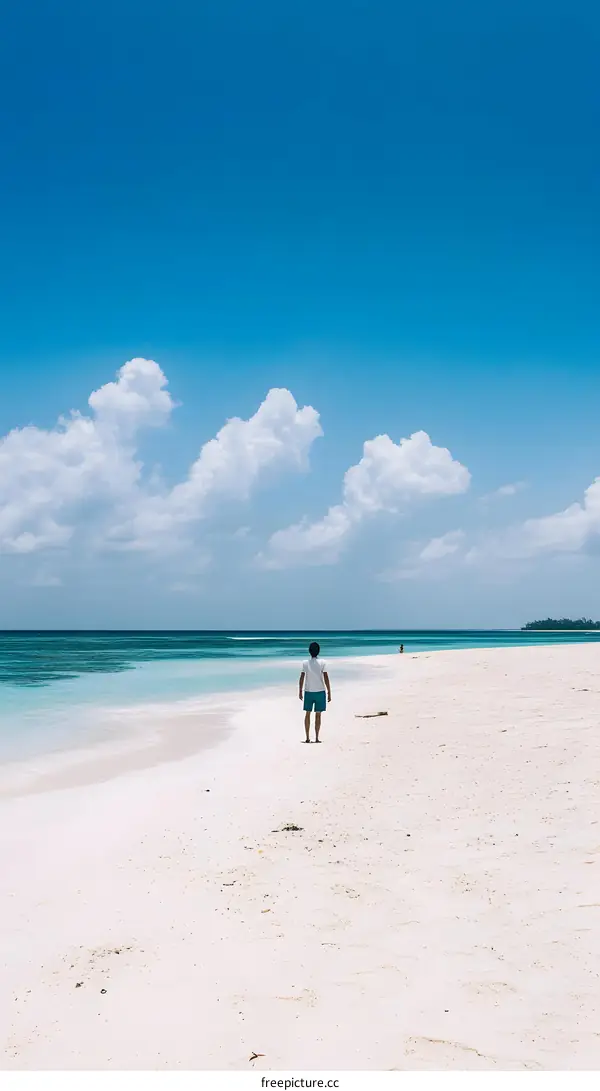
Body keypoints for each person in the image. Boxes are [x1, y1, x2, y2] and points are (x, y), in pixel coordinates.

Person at [299, 641, 331, 743]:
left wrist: (300, 691)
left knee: (307, 714)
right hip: (320, 691)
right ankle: (317, 737)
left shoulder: (305, 663)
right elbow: (326, 677)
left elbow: (301, 677)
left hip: (308, 691)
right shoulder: (323, 662)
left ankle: (307, 737)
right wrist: (329, 692)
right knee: (318, 715)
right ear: (318, 651)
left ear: (309, 651)